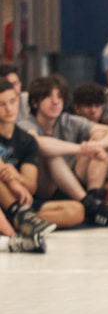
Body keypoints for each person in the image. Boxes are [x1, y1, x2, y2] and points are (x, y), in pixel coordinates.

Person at [19, 75, 108, 227]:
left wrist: (98, 145)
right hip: (44, 187)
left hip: (72, 182)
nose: (56, 101)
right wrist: (83, 149)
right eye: (48, 97)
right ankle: (91, 206)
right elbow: (40, 144)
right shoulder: (25, 123)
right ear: (35, 102)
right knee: (51, 154)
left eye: (59, 97)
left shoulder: (67, 120)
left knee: (99, 136)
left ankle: (95, 198)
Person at [0, 78, 56, 253]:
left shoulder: (26, 140)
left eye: (12, 102)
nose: (9, 109)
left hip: (17, 200)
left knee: (75, 210)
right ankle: (16, 232)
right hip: (10, 201)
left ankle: (23, 221)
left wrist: (16, 177)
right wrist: (14, 183)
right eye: (1, 104)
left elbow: (31, 186)